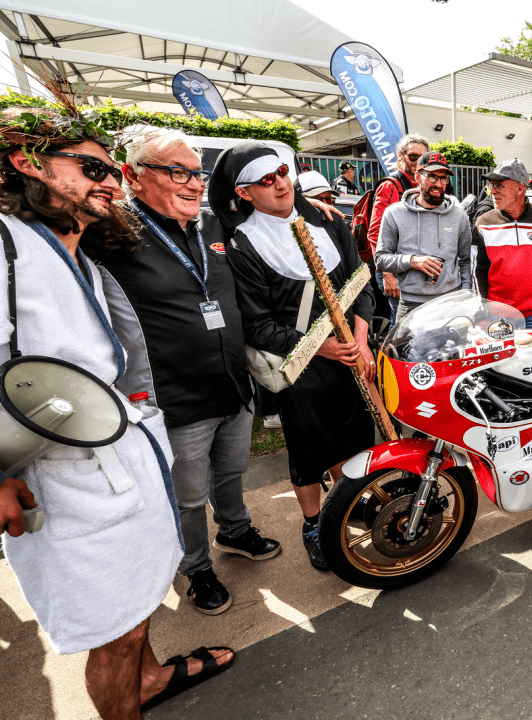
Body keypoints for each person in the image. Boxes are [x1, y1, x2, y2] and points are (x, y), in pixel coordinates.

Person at [0, 106, 232, 717]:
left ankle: (149, 678)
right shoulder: (4, 246)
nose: (110, 181)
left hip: (120, 453)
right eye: (92, 167)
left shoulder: (81, 254)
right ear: (27, 163)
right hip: (60, 474)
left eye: (109, 170)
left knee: (138, 600)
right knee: (115, 631)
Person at [104, 127, 280, 616]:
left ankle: (235, 531)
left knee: (232, 470)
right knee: (186, 494)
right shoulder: (111, 232)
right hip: (174, 395)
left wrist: (316, 208)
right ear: (133, 176)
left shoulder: (211, 225)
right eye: (177, 172)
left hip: (232, 381)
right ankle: (196, 567)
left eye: (196, 173)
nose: (194, 183)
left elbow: (272, 205)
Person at [211, 141, 377, 572]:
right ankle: (314, 523)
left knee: (357, 437)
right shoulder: (243, 244)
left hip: (352, 354)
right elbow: (256, 324)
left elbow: (362, 283)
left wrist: (360, 339)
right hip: (300, 365)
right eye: (267, 180)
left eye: (283, 172)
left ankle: (350, 503)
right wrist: (323, 346)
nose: (281, 184)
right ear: (244, 193)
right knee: (309, 447)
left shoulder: (328, 220)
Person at [374, 151, 472, 323]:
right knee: (403, 342)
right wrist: (412, 261)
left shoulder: (459, 216)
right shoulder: (394, 213)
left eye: (443, 178)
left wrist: (466, 293)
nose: (438, 184)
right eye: (432, 177)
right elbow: (381, 259)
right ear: (418, 176)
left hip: (450, 304)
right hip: (411, 305)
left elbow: (465, 261)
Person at [472, 158, 532, 331]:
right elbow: (477, 271)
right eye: (492, 185)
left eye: (499, 186)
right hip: (497, 314)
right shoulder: (483, 223)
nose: (492, 191)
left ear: (520, 189)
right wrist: (480, 313)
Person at [364, 134, 430, 322]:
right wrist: (387, 275)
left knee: (415, 322)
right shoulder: (390, 186)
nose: (418, 162)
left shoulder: (420, 186)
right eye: (413, 156)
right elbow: (375, 234)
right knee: (402, 323)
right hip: (394, 269)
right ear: (401, 157)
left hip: (414, 267)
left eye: (423, 158)